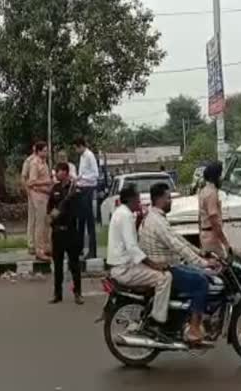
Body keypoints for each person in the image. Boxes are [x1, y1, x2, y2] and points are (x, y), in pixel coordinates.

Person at [139, 183, 217, 343]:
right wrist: (203, 263)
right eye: (168, 198)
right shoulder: (157, 222)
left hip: (168, 264)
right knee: (201, 282)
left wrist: (198, 252)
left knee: (201, 274)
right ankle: (194, 329)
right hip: (166, 268)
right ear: (159, 199)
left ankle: (190, 317)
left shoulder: (155, 217)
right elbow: (177, 246)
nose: (171, 201)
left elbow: (177, 239)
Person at [107, 184, 172, 327]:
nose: (139, 201)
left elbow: (129, 240)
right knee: (164, 278)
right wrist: (154, 264)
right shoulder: (125, 216)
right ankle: (158, 320)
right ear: (131, 199)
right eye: (137, 197)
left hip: (123, 265)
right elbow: (132, 248)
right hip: (124, 269)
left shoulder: (122, 213)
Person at [47, 163, 83, 304]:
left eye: (59, 171)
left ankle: (78, 293)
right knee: (58, 265)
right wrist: (52, 214)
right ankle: (57, 294)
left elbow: (77, 210)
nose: (56, 173)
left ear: (66, 173)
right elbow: (49, 207)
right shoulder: (55, 189)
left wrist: (66, 207)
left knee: (74, 265)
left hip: (71, 231)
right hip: (57, 232)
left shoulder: (74, 190)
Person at [27, 141, 53, 261]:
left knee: (46, 223)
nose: (46, 153)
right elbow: (31, 182)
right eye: (44, 150)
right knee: (40, 224)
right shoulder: (34, 163)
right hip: (38, 196)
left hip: (45, 195)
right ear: (38, 151)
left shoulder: (44, 163)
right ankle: (39, 250)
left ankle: (46, 247)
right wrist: (47, 183)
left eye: (46, 150)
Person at [198, 161, 230, 258]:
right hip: (212, 237)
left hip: (205, 235)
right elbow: (214, 220)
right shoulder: (212, 194)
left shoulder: (203, 191)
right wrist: (225, 242)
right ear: (215, 177)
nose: (222, 179)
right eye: (220, 175)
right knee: (223, 266)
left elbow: (199, 218)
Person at [74, 137, 99, 259]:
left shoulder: (89, 156)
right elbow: (82, 173)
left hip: (88, 189)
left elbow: (95, 174)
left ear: (81, 146)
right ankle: (79, 249)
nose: (76, 150)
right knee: (81, 221)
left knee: (89, 222)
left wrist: (82, 178)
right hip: (81, 189)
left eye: (76, 148)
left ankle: (92, 250)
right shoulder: (82, 157)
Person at [21, 145, 37, 255]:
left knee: (42, 220)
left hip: (42, 194)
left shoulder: (43, 160)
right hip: (33, 193)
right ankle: (31, 244)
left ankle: (40, 244)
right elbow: (23, 177)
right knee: (32, 219)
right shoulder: (29, 161)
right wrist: (27, 191)